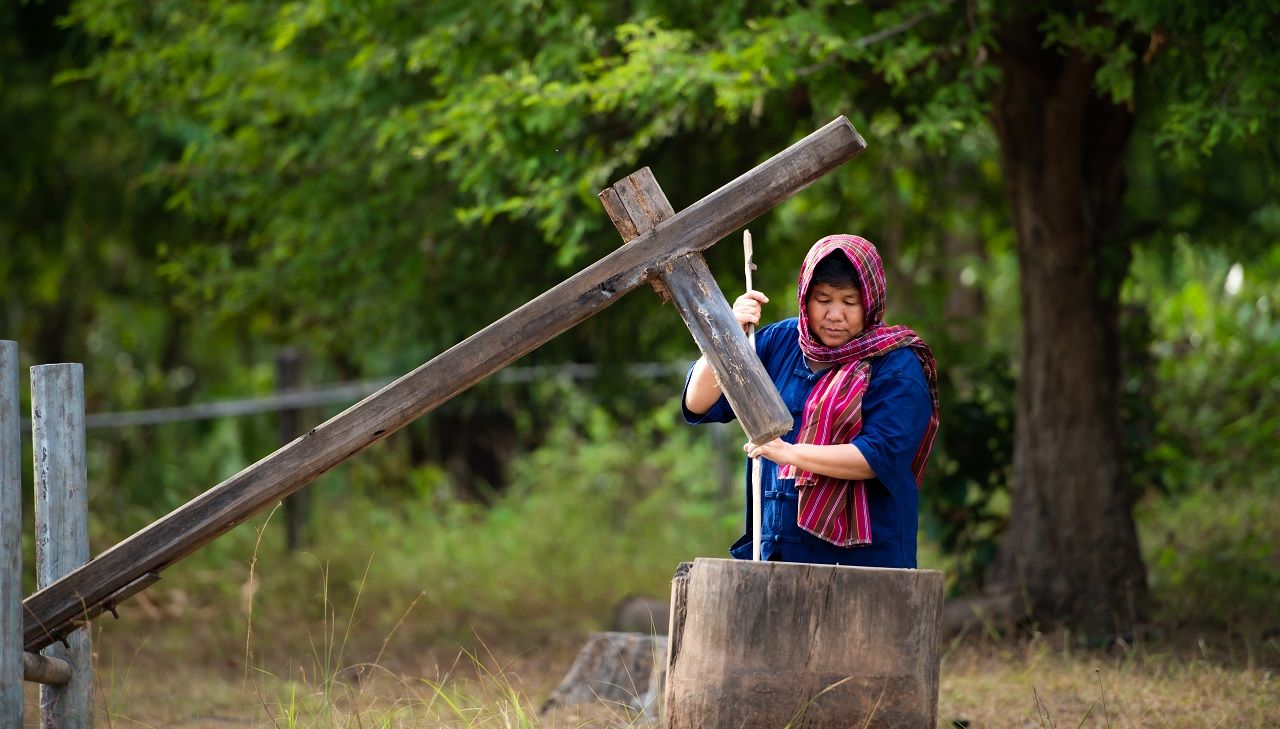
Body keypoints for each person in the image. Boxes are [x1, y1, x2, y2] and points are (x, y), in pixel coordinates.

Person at [682, 234, 939, 567]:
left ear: (870, 301)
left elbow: (882, 455)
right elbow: (697, 403)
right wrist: (727, 333)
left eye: (849, 302)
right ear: (805, 297)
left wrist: (788, 453)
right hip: (778, 552)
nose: (835, 314)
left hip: (866, 565)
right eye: (823, 299)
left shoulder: (895, 364)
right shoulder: (781, 341)